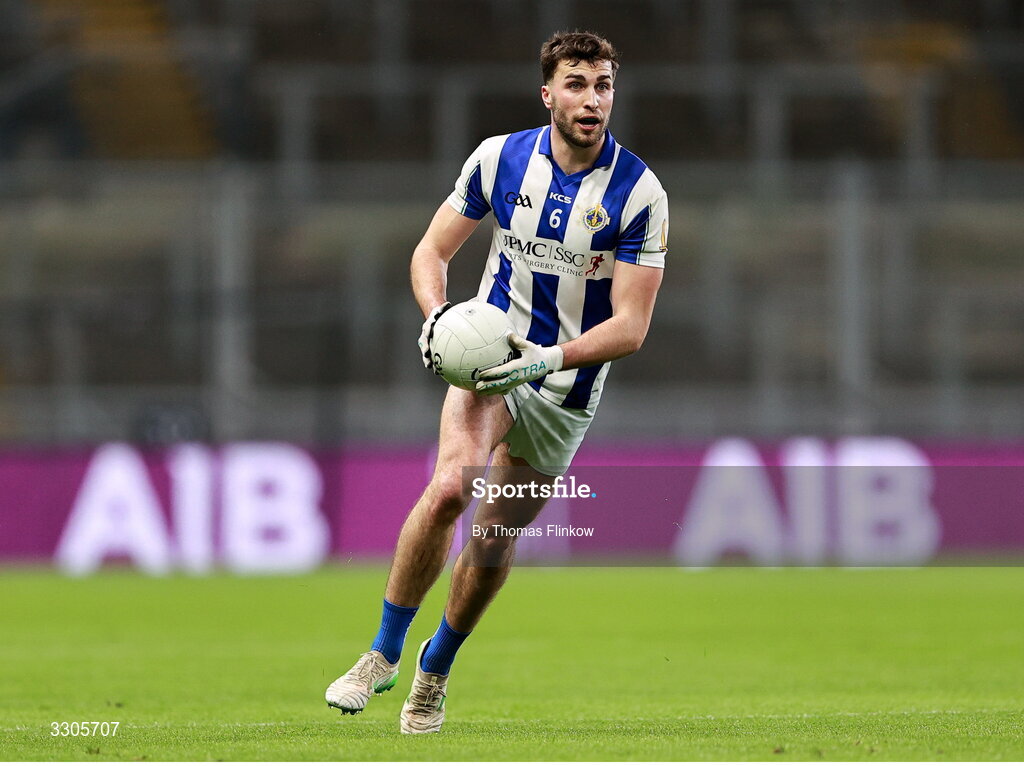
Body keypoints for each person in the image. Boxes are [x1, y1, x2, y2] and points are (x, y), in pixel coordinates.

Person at [325, 29, 668, 734]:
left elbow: (631, 327)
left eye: (603, 85)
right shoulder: (500, 158)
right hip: (489, 360)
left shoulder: (640, 193)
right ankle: (382, 653)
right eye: (576, 83)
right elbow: (431, 251)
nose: (591, 99)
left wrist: (549, 360)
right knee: (452, 487)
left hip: (565, 390)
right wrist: (437, 318)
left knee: (490, 544)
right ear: (548, 93)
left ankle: (435, 668)